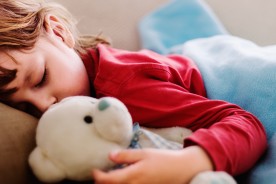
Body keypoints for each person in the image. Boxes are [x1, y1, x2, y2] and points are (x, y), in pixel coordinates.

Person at [0, 0, 267, 184]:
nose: (45, 105)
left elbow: (246, 125)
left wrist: (191, 161)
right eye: (26, 108)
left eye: (40, 78)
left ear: (58, 32)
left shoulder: (123, 87)